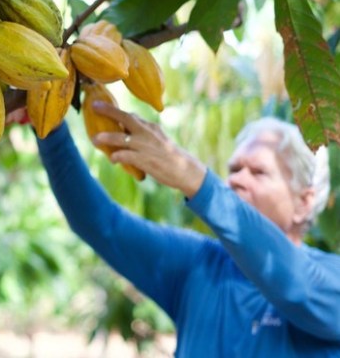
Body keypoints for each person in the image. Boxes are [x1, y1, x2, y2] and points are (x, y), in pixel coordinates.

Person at [24, 102, 340, 357]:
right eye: (233, 170)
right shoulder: (200, 265)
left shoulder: (331, 279)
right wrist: (48, 124)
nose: (237, 180)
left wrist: (195, 180)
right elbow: (101, 223)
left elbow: (295, 286)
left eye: (258, 172)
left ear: (304, 201)